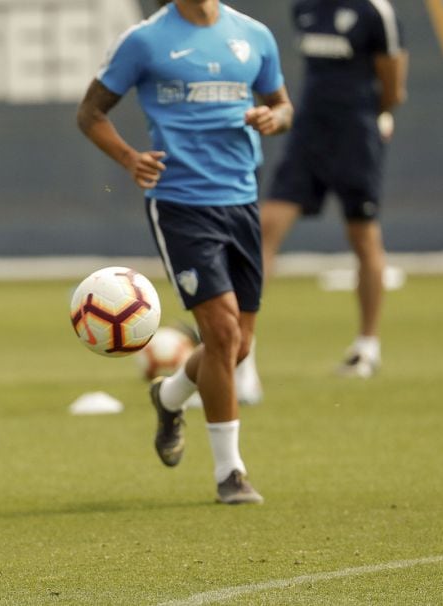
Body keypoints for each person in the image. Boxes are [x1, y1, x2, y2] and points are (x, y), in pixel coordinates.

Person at [77, 0, 292, 504]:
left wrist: (272, 117)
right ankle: (230, 473)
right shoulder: (146, 41)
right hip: (180, 203)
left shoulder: (253, 35)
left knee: (236, 347)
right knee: (220, 331)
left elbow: (284, 105)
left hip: (241, 198)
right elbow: (90, 113)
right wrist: (130, 158)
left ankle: (169, 395)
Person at [261, 0, 408, 378]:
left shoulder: (376, 12)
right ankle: (239, 345)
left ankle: (366, 346)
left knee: (363, 236)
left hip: (355, 137)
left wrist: (376, 116)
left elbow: (393, 85)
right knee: (265, 228)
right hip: (308, 135)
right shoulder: (305, 7)